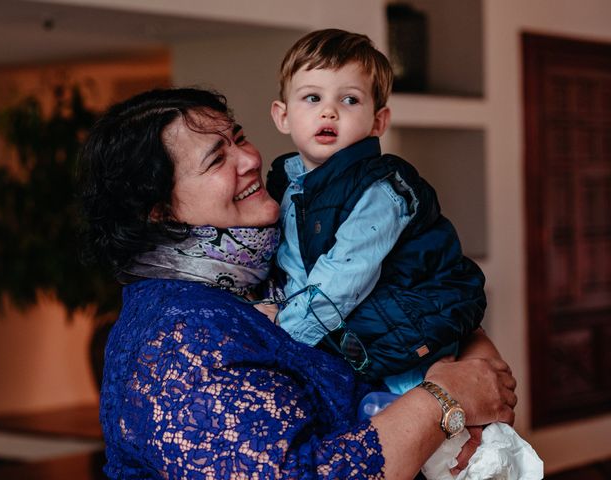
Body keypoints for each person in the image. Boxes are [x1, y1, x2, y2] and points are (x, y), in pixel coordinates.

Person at [79, 87, 517, 479]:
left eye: (239, 138)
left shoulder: (279, 262)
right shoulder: (175, 340)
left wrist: (474, 392)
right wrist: (442, 402)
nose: (251, 159)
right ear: (160, 211)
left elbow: (434, 295)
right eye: (217, 158)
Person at [266, 29, 541, 479]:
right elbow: (297, 268)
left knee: (461, 448)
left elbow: (344, 275)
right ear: (282, 115)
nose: (329, 110)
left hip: (412, 324)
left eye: (350, 100)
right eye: (311, 98)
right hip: (366, 337)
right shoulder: (289, 187)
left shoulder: (383, 186)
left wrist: (283, 335)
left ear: (378, 121)